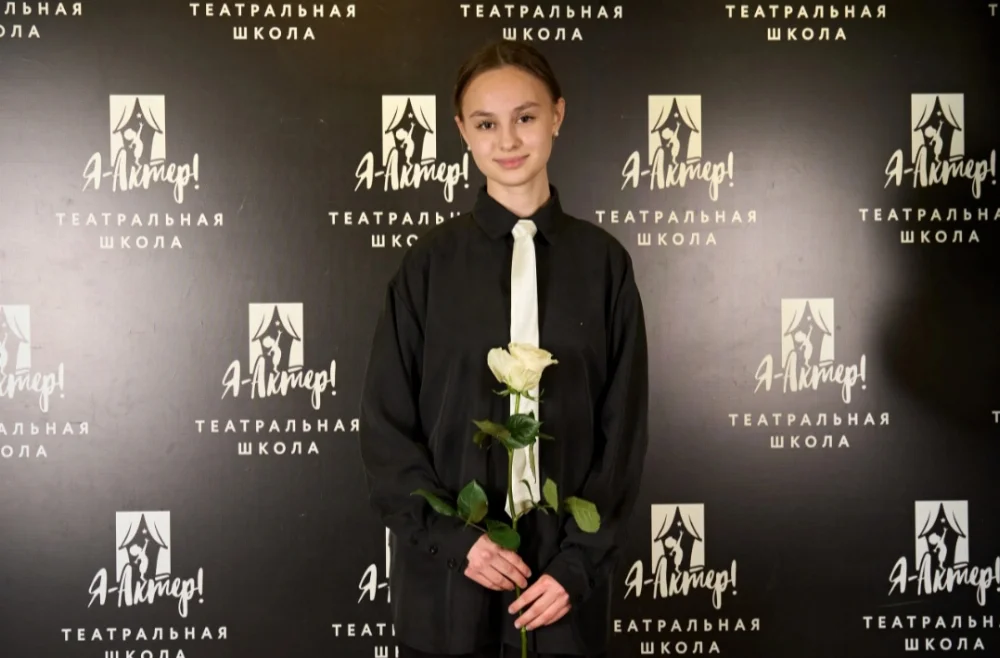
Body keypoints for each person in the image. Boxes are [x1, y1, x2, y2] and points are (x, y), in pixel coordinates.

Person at [358, 39, 649, 658]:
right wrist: (454, 541)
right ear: (462, 130)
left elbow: (622, 434)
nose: (508, 140)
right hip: (449, 586)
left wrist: (578, 566)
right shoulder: (426, 268)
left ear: (557, 116)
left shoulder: (605, 265)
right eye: (486, 123)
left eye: (526, 117)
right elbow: (386, 430)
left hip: (562, 591)